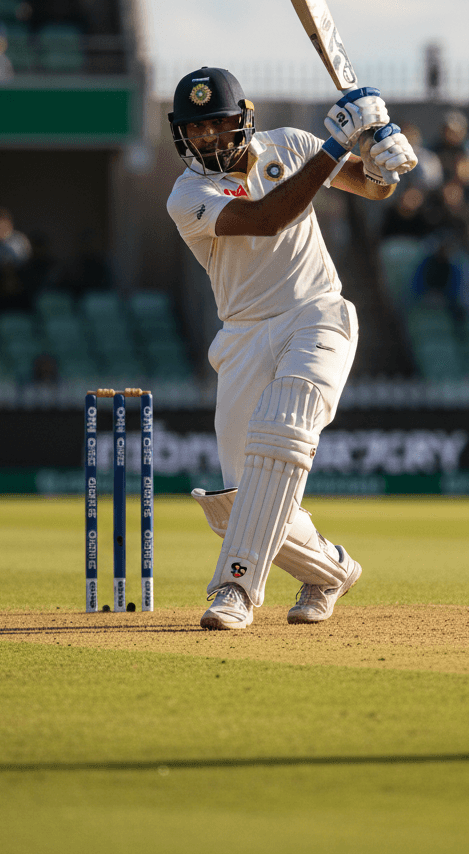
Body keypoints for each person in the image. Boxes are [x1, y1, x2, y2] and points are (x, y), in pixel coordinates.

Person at [165, 67, 416, 630]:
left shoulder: (293, 145)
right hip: (244, 333)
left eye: (219, 126)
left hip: (318, 314)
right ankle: (330, 570)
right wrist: (337, 143)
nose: (208, 139)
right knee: (237, 501)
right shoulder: (187, 196)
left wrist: (383, 156)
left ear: (243, 120)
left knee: (287, 425)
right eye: (196, 130)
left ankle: (235, 586)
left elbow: (372, 186)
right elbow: (267, 218)